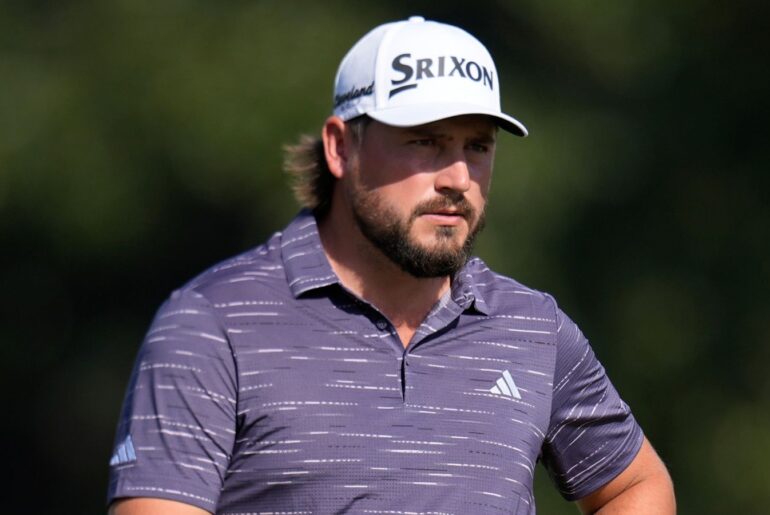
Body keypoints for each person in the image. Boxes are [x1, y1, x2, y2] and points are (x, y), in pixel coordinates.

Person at [107, 16, 675, 515]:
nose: (458, 177)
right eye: (425, 142)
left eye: (477, 147)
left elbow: (637, 485)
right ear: (340, 147)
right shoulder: (213, 323)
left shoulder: (534, 328)